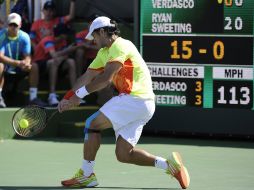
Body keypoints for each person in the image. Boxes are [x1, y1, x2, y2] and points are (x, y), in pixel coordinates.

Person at [58, 16, 190, 189]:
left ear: (104, 32)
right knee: (124, 154)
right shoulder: (103, 53)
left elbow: (105, 79)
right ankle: (171, 166)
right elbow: (87, 76)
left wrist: (79, 96)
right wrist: (68, 97)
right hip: (143, 105)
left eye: (95, 36)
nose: (94, 40)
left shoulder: (121, 45)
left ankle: (86, 175)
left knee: (92, 123)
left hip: (135, 98)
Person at [29, 23, 77, 106]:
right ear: (62, 35)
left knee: (71, 62)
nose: (68, 36)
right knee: (53, 62)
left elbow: (63, 56)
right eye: (66, 34)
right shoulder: (48, 40)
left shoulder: (63, 42)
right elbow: (54, 55)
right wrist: (68, 50)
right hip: (40, 66)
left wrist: (64, 55)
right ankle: (52, 95)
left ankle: (75, 94)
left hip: (55, 65)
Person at [0, 13, 31, 108]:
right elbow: (0, 57)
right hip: (6, 68)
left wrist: (26, 63)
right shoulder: (1, 35)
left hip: (19, 70)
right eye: (11, 25)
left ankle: (33, 97)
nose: (13, 27)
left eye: (15, 25)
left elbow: (27, 56)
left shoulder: (25, 37)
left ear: (20, 25)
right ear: (7, 25)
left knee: (32, 67)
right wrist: (17, 63)